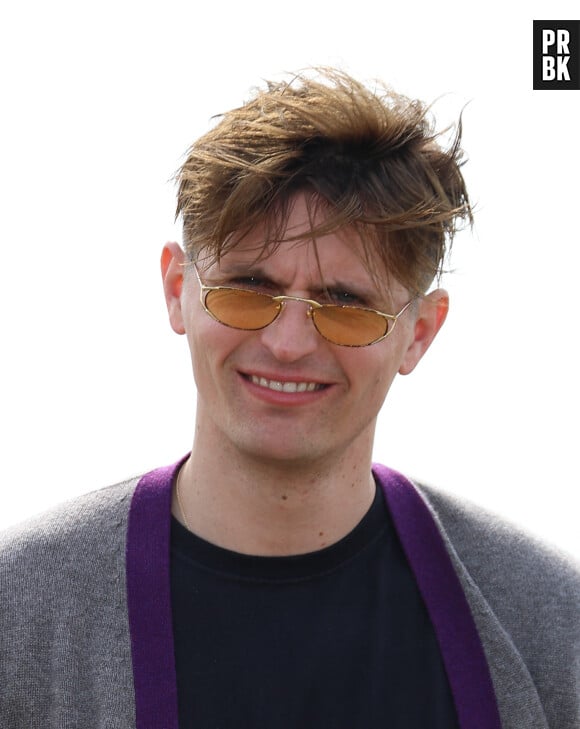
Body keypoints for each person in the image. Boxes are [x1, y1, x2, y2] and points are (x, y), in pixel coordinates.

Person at [1, 68, 578, 729]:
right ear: (175, 289)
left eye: (345, 303)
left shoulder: (551, 631)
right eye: (248, 287)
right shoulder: (20, 617)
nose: (287, 342)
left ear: (419, 332)